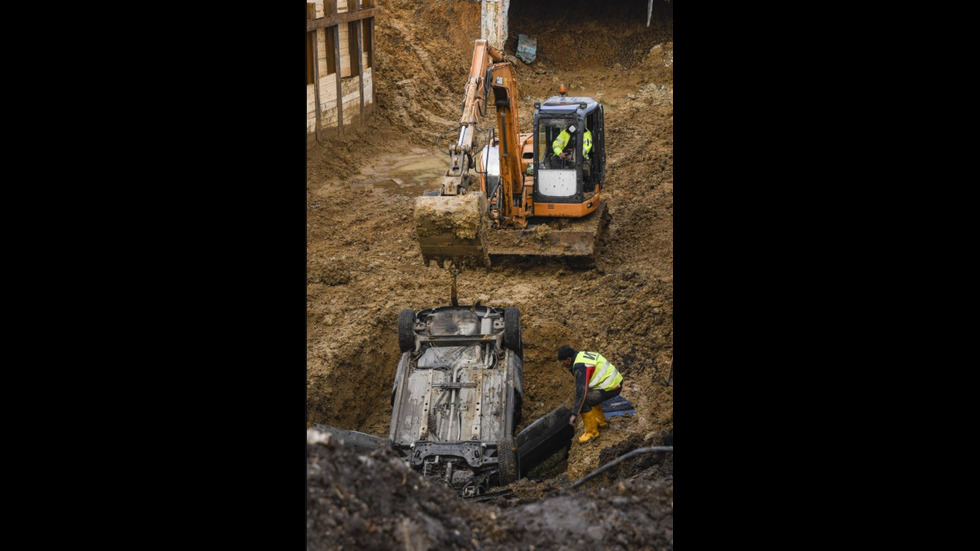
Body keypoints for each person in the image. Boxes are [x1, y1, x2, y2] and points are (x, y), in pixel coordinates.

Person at [557, 345, 624, 443]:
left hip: (611, 386)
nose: (562, 365)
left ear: (568, 359)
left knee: (584, 402)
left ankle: (592, 433)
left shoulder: (579, 366)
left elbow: (581, 392)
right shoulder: (581, 355)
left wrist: (574, 414)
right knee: (591, 395)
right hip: (614, 381)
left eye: (563, 362)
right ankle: (601, 421)